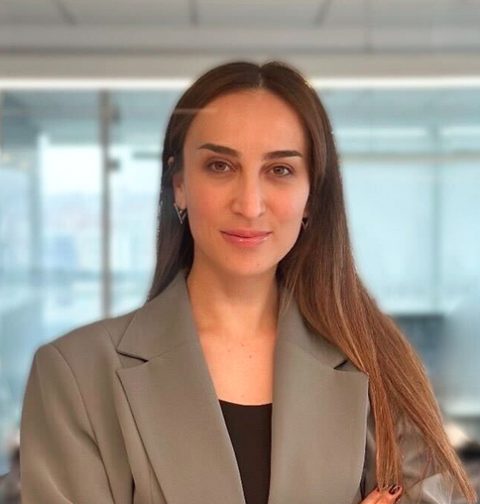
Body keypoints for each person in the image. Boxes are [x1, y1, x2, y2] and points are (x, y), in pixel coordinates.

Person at [19, 61, 477, 504]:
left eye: (280, 170)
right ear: (179, 184)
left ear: (311, 197)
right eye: (220, 166)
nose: (250, 204)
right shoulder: (76, 375)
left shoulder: (378, 363)